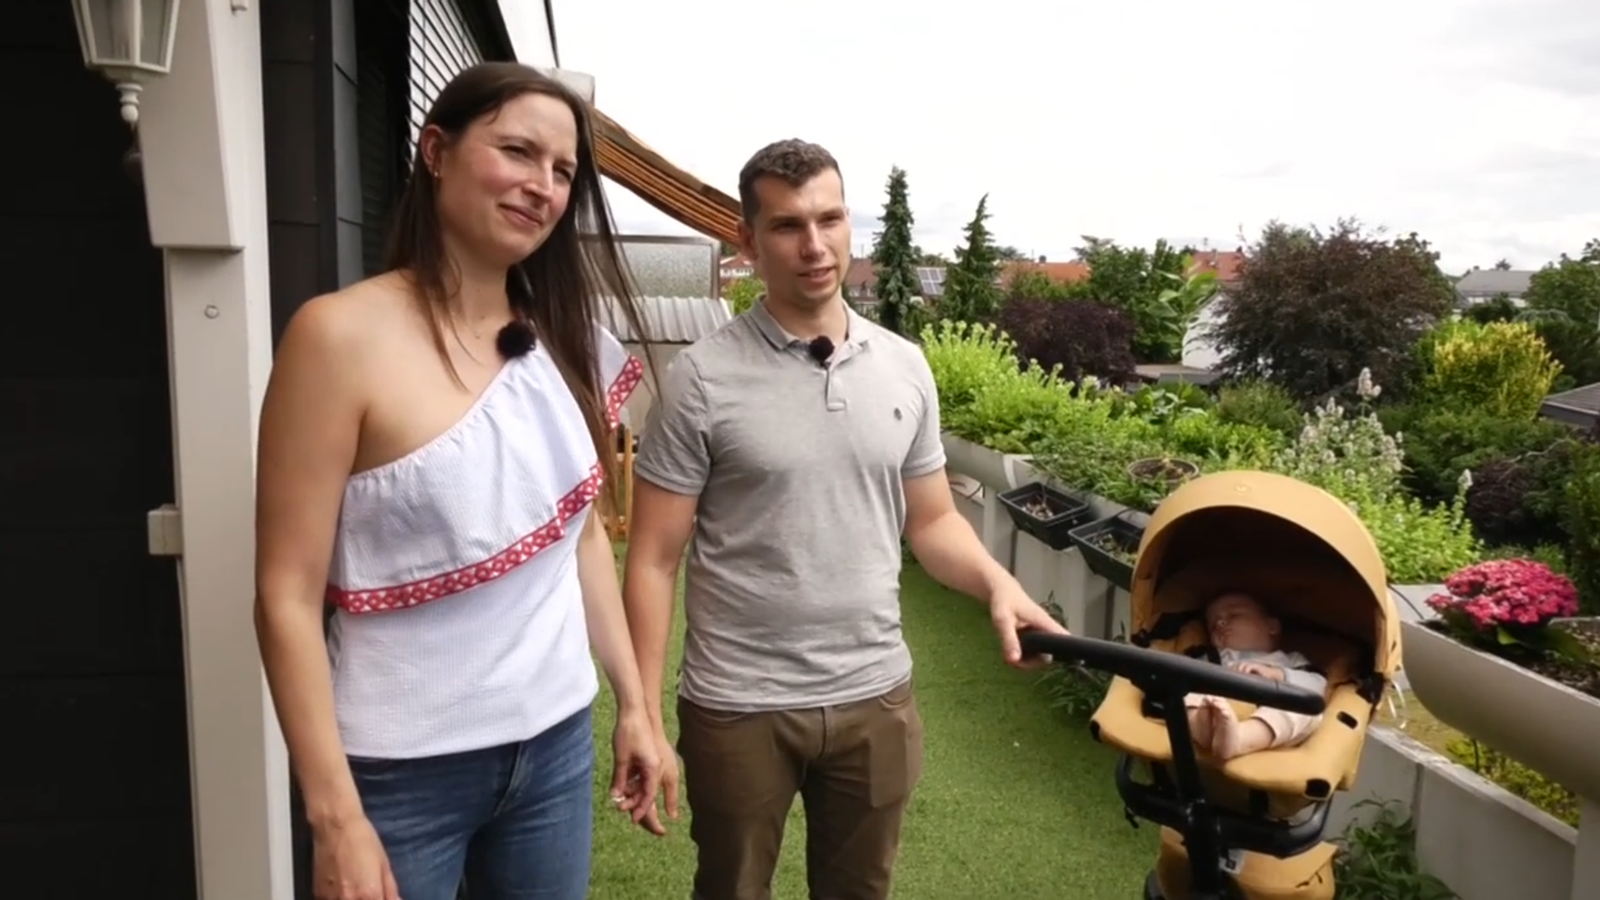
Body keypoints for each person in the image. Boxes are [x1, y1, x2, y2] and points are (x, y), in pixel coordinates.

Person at [254, 62, 663, 900]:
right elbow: (284, 597)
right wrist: (336, 818)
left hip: (553, 745)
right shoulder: (336, 339)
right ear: (436, 151)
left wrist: (634, 704)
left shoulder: (561, 336)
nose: (542, 187)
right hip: (401, 772)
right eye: (517, 151)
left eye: (562, 172)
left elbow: (580, 533)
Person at [621, 138, 1067, 900]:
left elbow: (929, 521)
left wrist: (998, 583)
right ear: (748, 240)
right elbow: (655, 558)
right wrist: (642, 712)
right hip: (738, 703)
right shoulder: (702, 378)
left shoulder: (905, 365)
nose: (815, 245)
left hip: (874, 694)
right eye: (789, 225)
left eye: (830, 219)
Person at [1186, 592, 1329, 760]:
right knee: (1182, 689)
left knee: (1305, 707)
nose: (1220, 623)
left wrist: (1277, 674)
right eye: (1212, 625)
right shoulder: (1211, 657)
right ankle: (1203, 730)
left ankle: (1241, 739)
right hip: (1217, 705)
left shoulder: (1289, 660)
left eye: (1234, 615)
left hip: (1270, 710)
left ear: (1272, 626)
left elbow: (1317, 685)